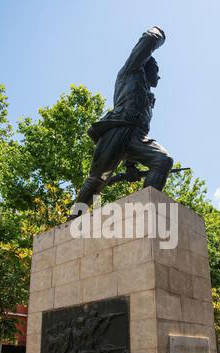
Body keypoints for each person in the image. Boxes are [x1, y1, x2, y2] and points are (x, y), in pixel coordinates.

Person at [73, 26, 173, 213]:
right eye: (157, 70)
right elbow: (147, 43)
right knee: (97, 180)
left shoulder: (148, 97)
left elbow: (142, 129)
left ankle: (147, 211)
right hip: (117, 131)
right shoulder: (131, 72)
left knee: (163, 160)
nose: (158, 76)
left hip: (136, 137)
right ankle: (74, 219)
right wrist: (157, 34)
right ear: (147, 65)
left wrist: (130, 166)